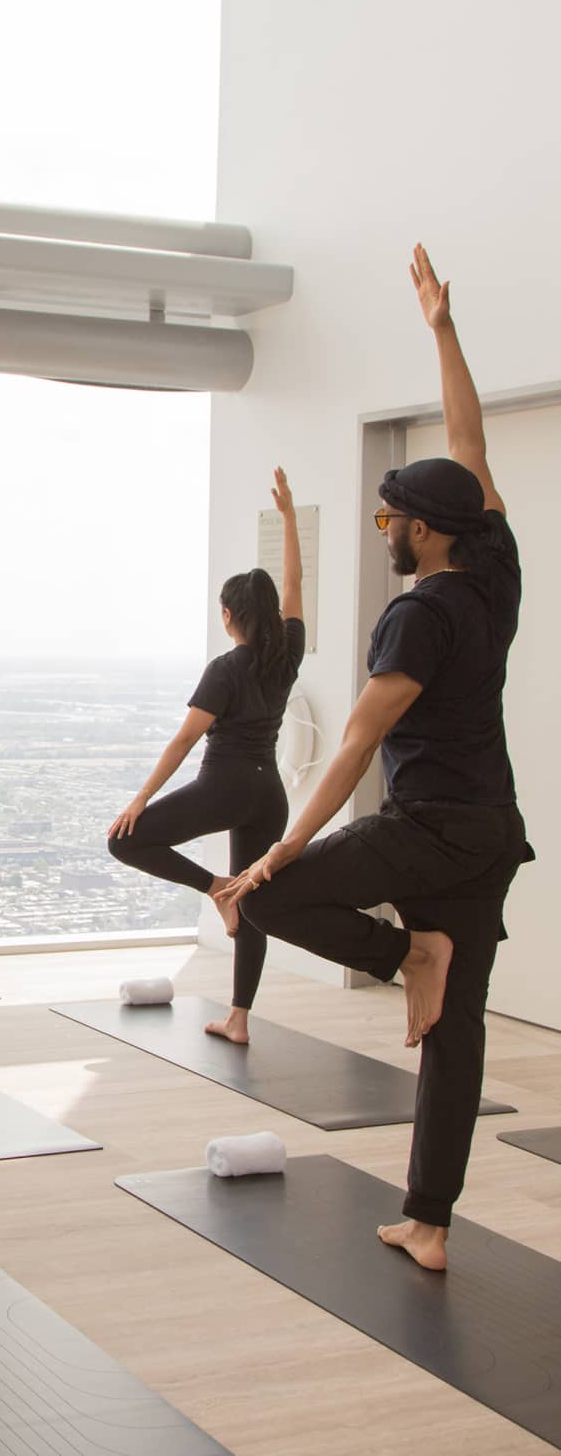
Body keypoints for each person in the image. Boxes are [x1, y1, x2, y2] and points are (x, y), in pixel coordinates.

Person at [221, 244, 532, 1272]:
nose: (383, 523)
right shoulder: (491, 570)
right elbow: (470, 441)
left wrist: (278, 854)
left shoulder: (420, 617)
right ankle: (429, 1222)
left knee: (273, 903)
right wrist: (442, 328)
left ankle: (410, 958)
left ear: (429, 531)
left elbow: (354, 746)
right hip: (492, 830)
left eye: (391, 513)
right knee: (456, 1034)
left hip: (430, 831)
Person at [108, 471, 305, 1042]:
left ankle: (215, 886)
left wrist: (141, 797)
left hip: (225, 787)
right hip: (268, 794)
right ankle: (238, 1020)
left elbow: (184, 741)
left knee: (124, 840)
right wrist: (290, 519)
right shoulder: (286, 656)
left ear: (228, 614)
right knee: (256, 903)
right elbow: (294, 584)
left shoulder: (226, 669)